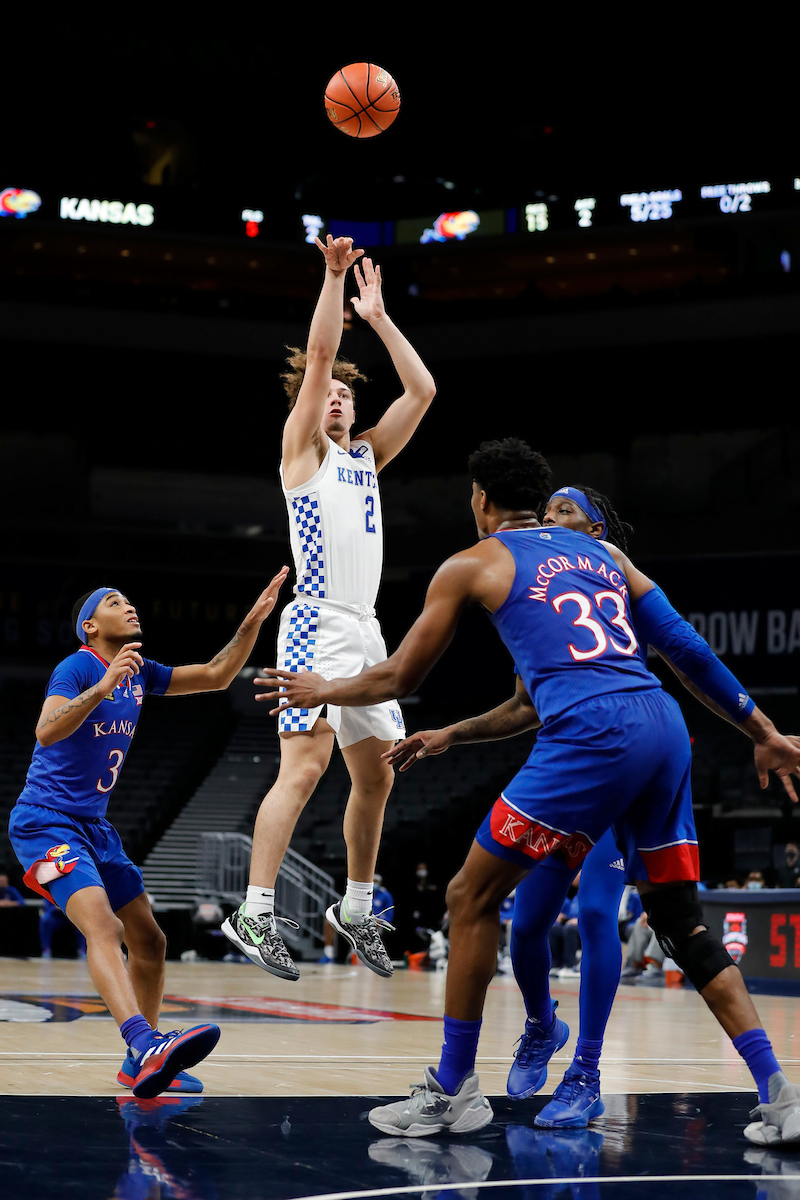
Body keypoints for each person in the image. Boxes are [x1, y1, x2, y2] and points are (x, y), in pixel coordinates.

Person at [257, 437, 800, 1145]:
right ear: (538, 502)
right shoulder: (606, 556)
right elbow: (685, 649)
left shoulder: (473, 563)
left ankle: (454, 1090)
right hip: (662, 725)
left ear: (480, 500)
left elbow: (398, 678)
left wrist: (323, 687)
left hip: (590, 735)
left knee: (469, 898)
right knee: (679, 923)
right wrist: (763, 730)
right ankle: (780, 1093)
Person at [222, 235, 436, 982]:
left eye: (349, 392)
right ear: (311, 407)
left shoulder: (365, 456)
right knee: (306, 767)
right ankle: (254, 911)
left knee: (377, 775)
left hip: (365, 628)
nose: (339, 396)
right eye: (329, 392)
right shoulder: (302, 453)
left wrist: (378, 319)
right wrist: (334, 278)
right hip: (313, 622)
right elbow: (318, 357)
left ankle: (356, 905)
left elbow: (423, 392)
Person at [8, 572, 287, 1097]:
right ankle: (143, 1042)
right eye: (115, 602)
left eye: (129, 600)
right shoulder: (77, 667)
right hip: (44, 821)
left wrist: (252, 623)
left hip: (95, 827)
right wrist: (101, 687)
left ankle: (141, 1063)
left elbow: (217, 674)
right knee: (104, 927)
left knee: (151, 941)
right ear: (90, 627)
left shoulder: (141, 671)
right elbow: (46, 730)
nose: (130, 606)